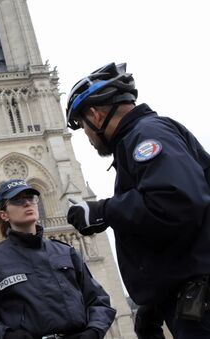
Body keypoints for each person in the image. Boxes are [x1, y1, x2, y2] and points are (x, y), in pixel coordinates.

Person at [65, 62, 210, 339]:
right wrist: (153, 303)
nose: (88, 136)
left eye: (83, 127)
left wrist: (103, 211)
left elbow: (175, 202)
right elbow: (176, 235)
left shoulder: (146, 136)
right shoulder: (141, 138)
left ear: (95, 116)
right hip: (189, 299)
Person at [0, 179, 116, 339]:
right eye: (18, 200)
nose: (27, 203)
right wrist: (6, 336)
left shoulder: (66, 252)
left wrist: (93, 331)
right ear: (4, 214)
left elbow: (99, 300)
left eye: (31, 198)